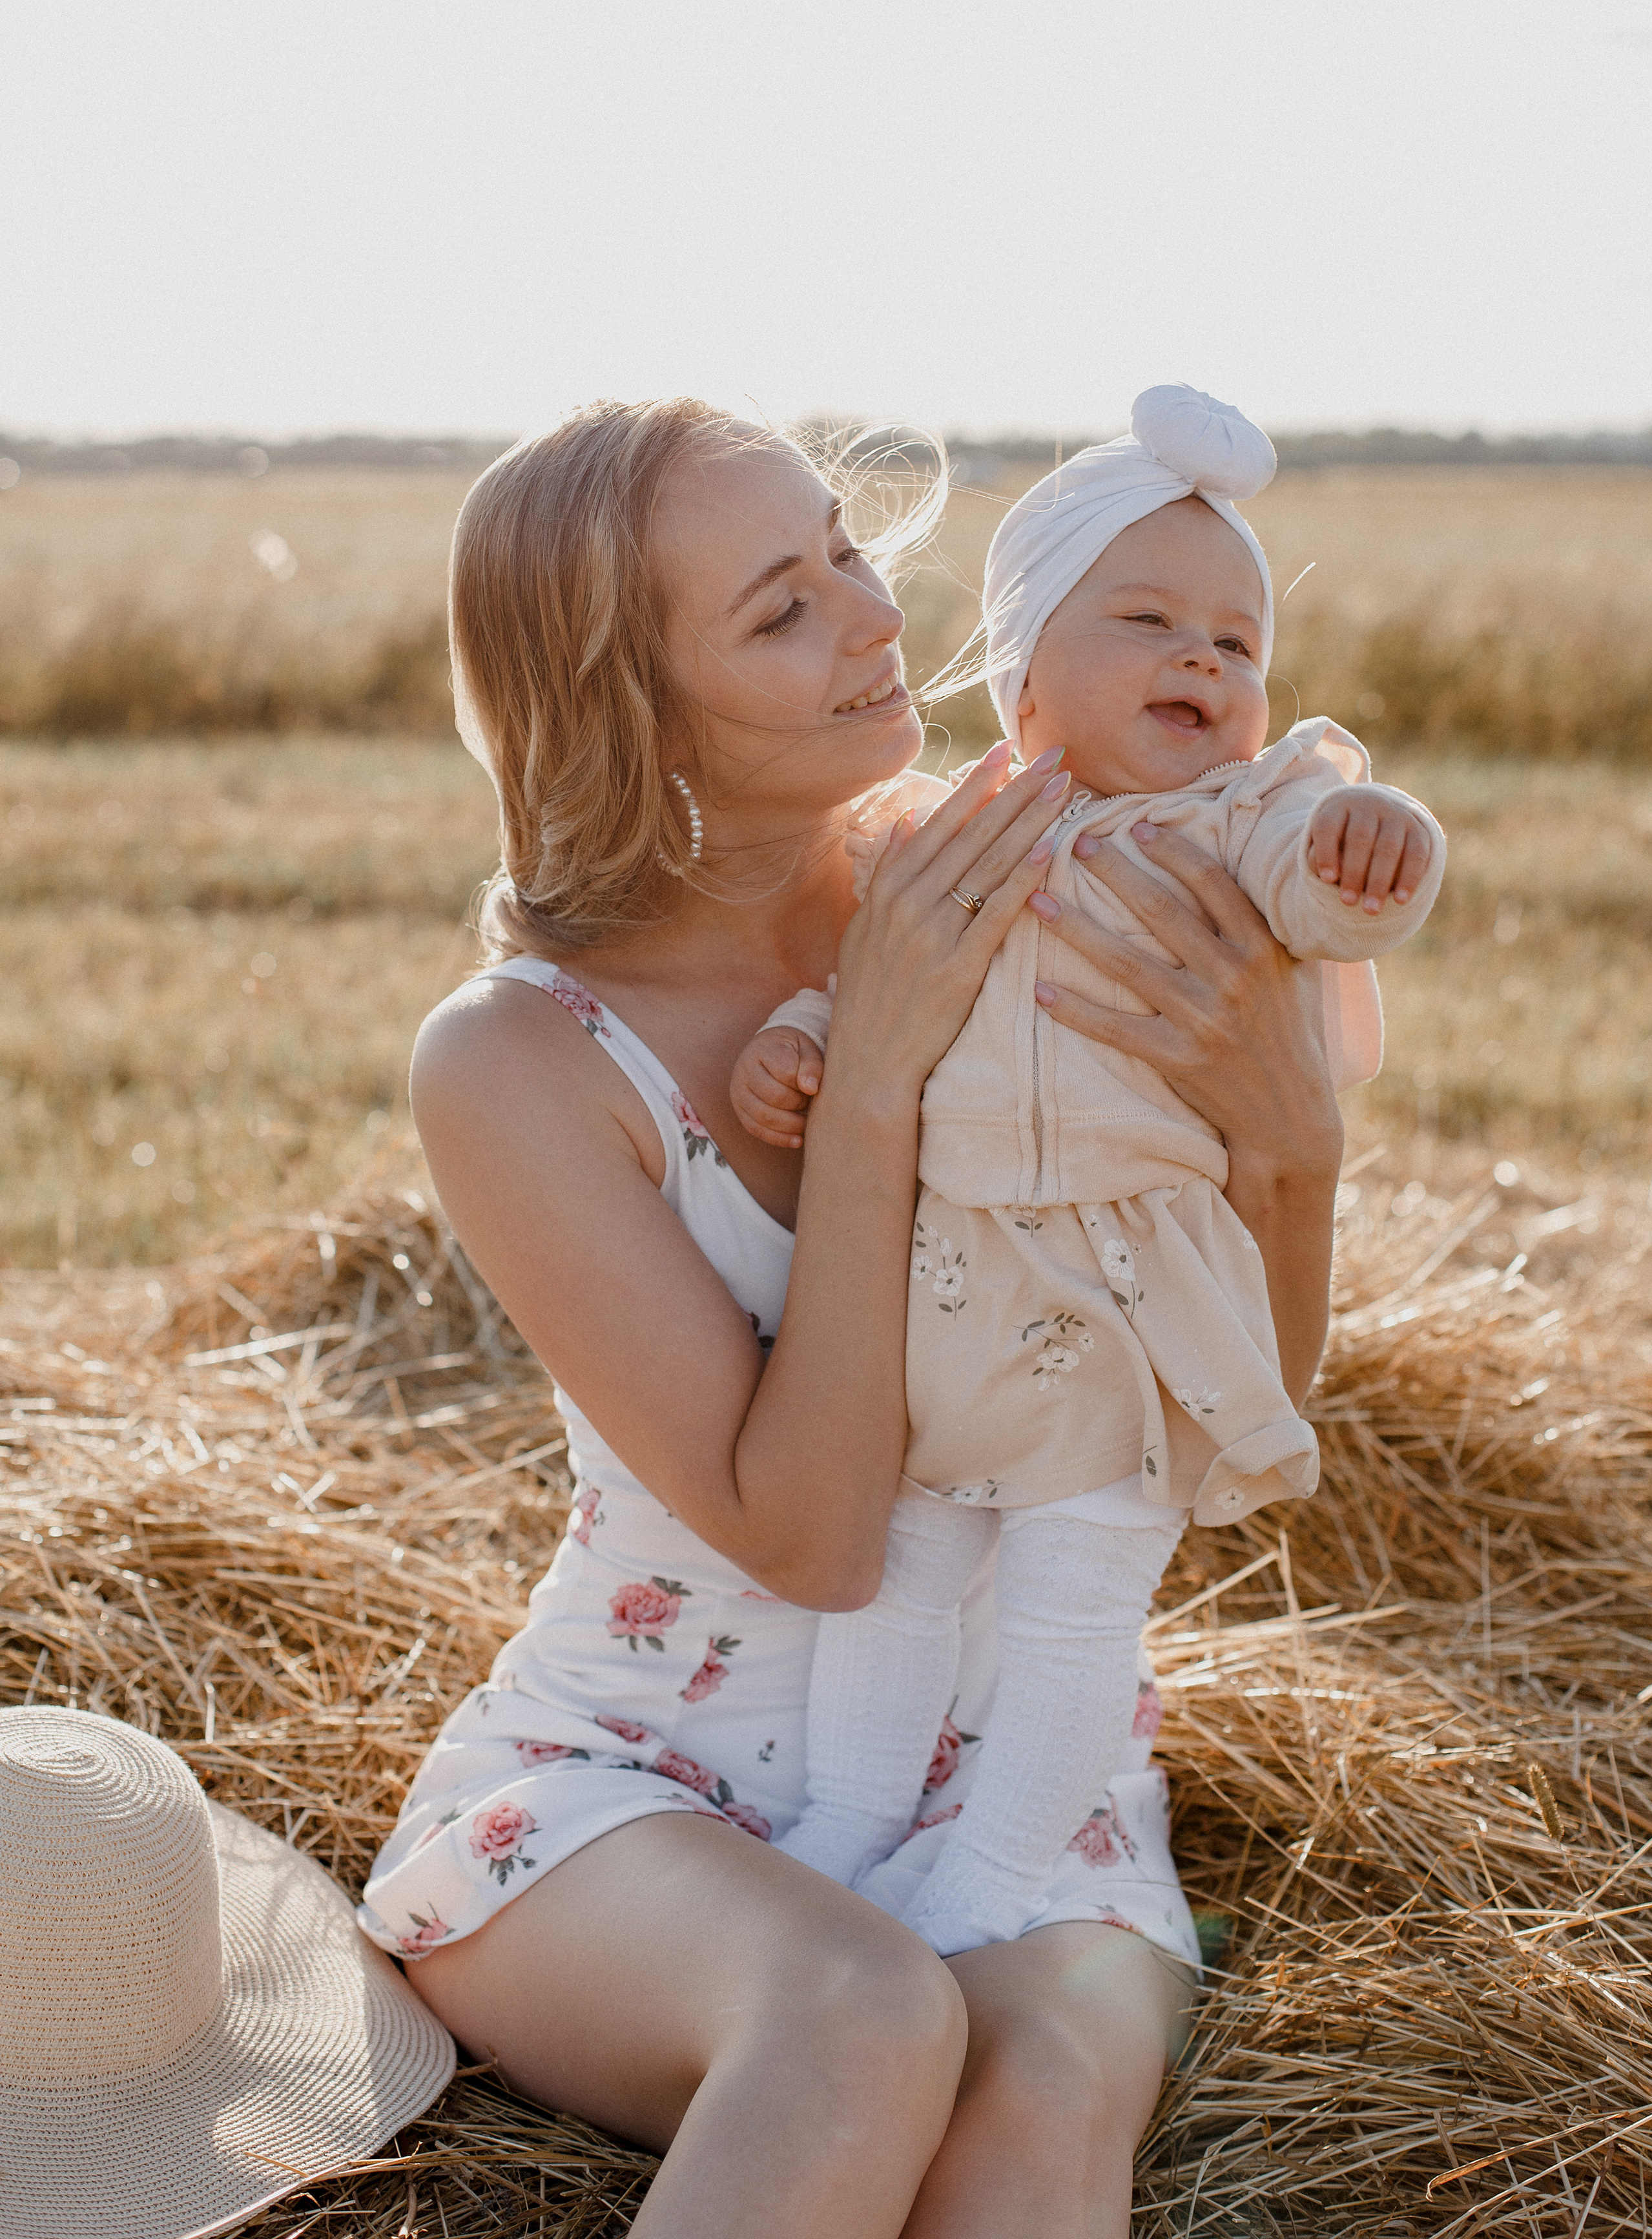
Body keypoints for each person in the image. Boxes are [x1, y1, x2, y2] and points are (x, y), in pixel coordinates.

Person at [357, 397, 1346, 2239]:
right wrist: (878, 1068)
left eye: (846, 552)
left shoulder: (1037, 872)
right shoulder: (520, 1059)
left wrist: (1296, 1154)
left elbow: (1220, 1426)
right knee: (861, 2018)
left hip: (1027, 1777)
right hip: (638, 1793)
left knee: (1035, 2105)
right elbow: (810, 1541)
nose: (882, 620)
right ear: (634, 713)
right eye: (779, 609)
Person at [730, 387, 1443, 1960]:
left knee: (1074, 1605)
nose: (1202, 660)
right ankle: (842, 1827)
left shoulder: (1243, 818)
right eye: (1145, 620)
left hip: (1133, 1304)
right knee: (898, 1575)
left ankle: (992, 1871)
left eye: (1235, 644)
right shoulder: (934, 827)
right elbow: (870, 976)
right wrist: (796, 1044)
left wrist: (1372, 850)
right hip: (954, 1290)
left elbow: (1324, 895)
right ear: (1022, 670)